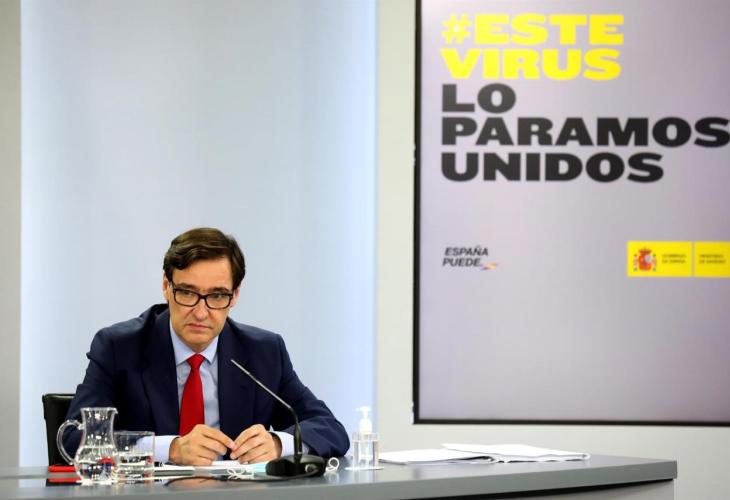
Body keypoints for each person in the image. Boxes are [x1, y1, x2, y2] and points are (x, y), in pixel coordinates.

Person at [63, 227, 349, 465]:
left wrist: (278, 443)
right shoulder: (119, 347)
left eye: (217, 296)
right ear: (166, 286)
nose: (201, 312)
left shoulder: (263, 352)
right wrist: (169, 449)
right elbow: (75, 438)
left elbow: (330, 429)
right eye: (187, 293)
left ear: (235, 295)